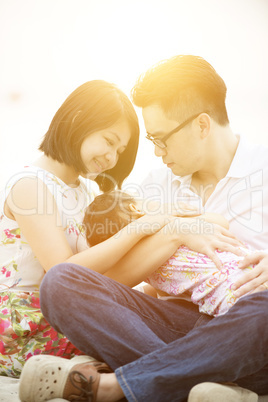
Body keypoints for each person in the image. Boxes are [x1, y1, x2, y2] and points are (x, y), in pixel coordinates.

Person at [19, 55, 268, 402]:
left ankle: (120, 386)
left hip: (249, 324)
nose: (156, 151)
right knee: (61, 283)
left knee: (263, 310)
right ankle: (206, 384)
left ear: (201, 125)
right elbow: (115, 279)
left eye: (161, 138)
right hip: (175, 326)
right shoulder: (154, 188)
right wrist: (173, 232)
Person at [0, 79, 145, 377]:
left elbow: (102, 270)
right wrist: (140, 230)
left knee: (154, 310)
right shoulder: (30, 185)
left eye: (120, 150)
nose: (112, 157)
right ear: (78, 120)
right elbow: (63, 274)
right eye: (109, 141)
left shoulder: (89, 193)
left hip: (69, 313)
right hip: (23, 323)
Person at [83, 190, 260, 317]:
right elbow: (220, 222)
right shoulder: (176, 227)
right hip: (250, 275)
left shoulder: (144, 267)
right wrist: (175, 217)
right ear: (135, 208)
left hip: (231, 300)